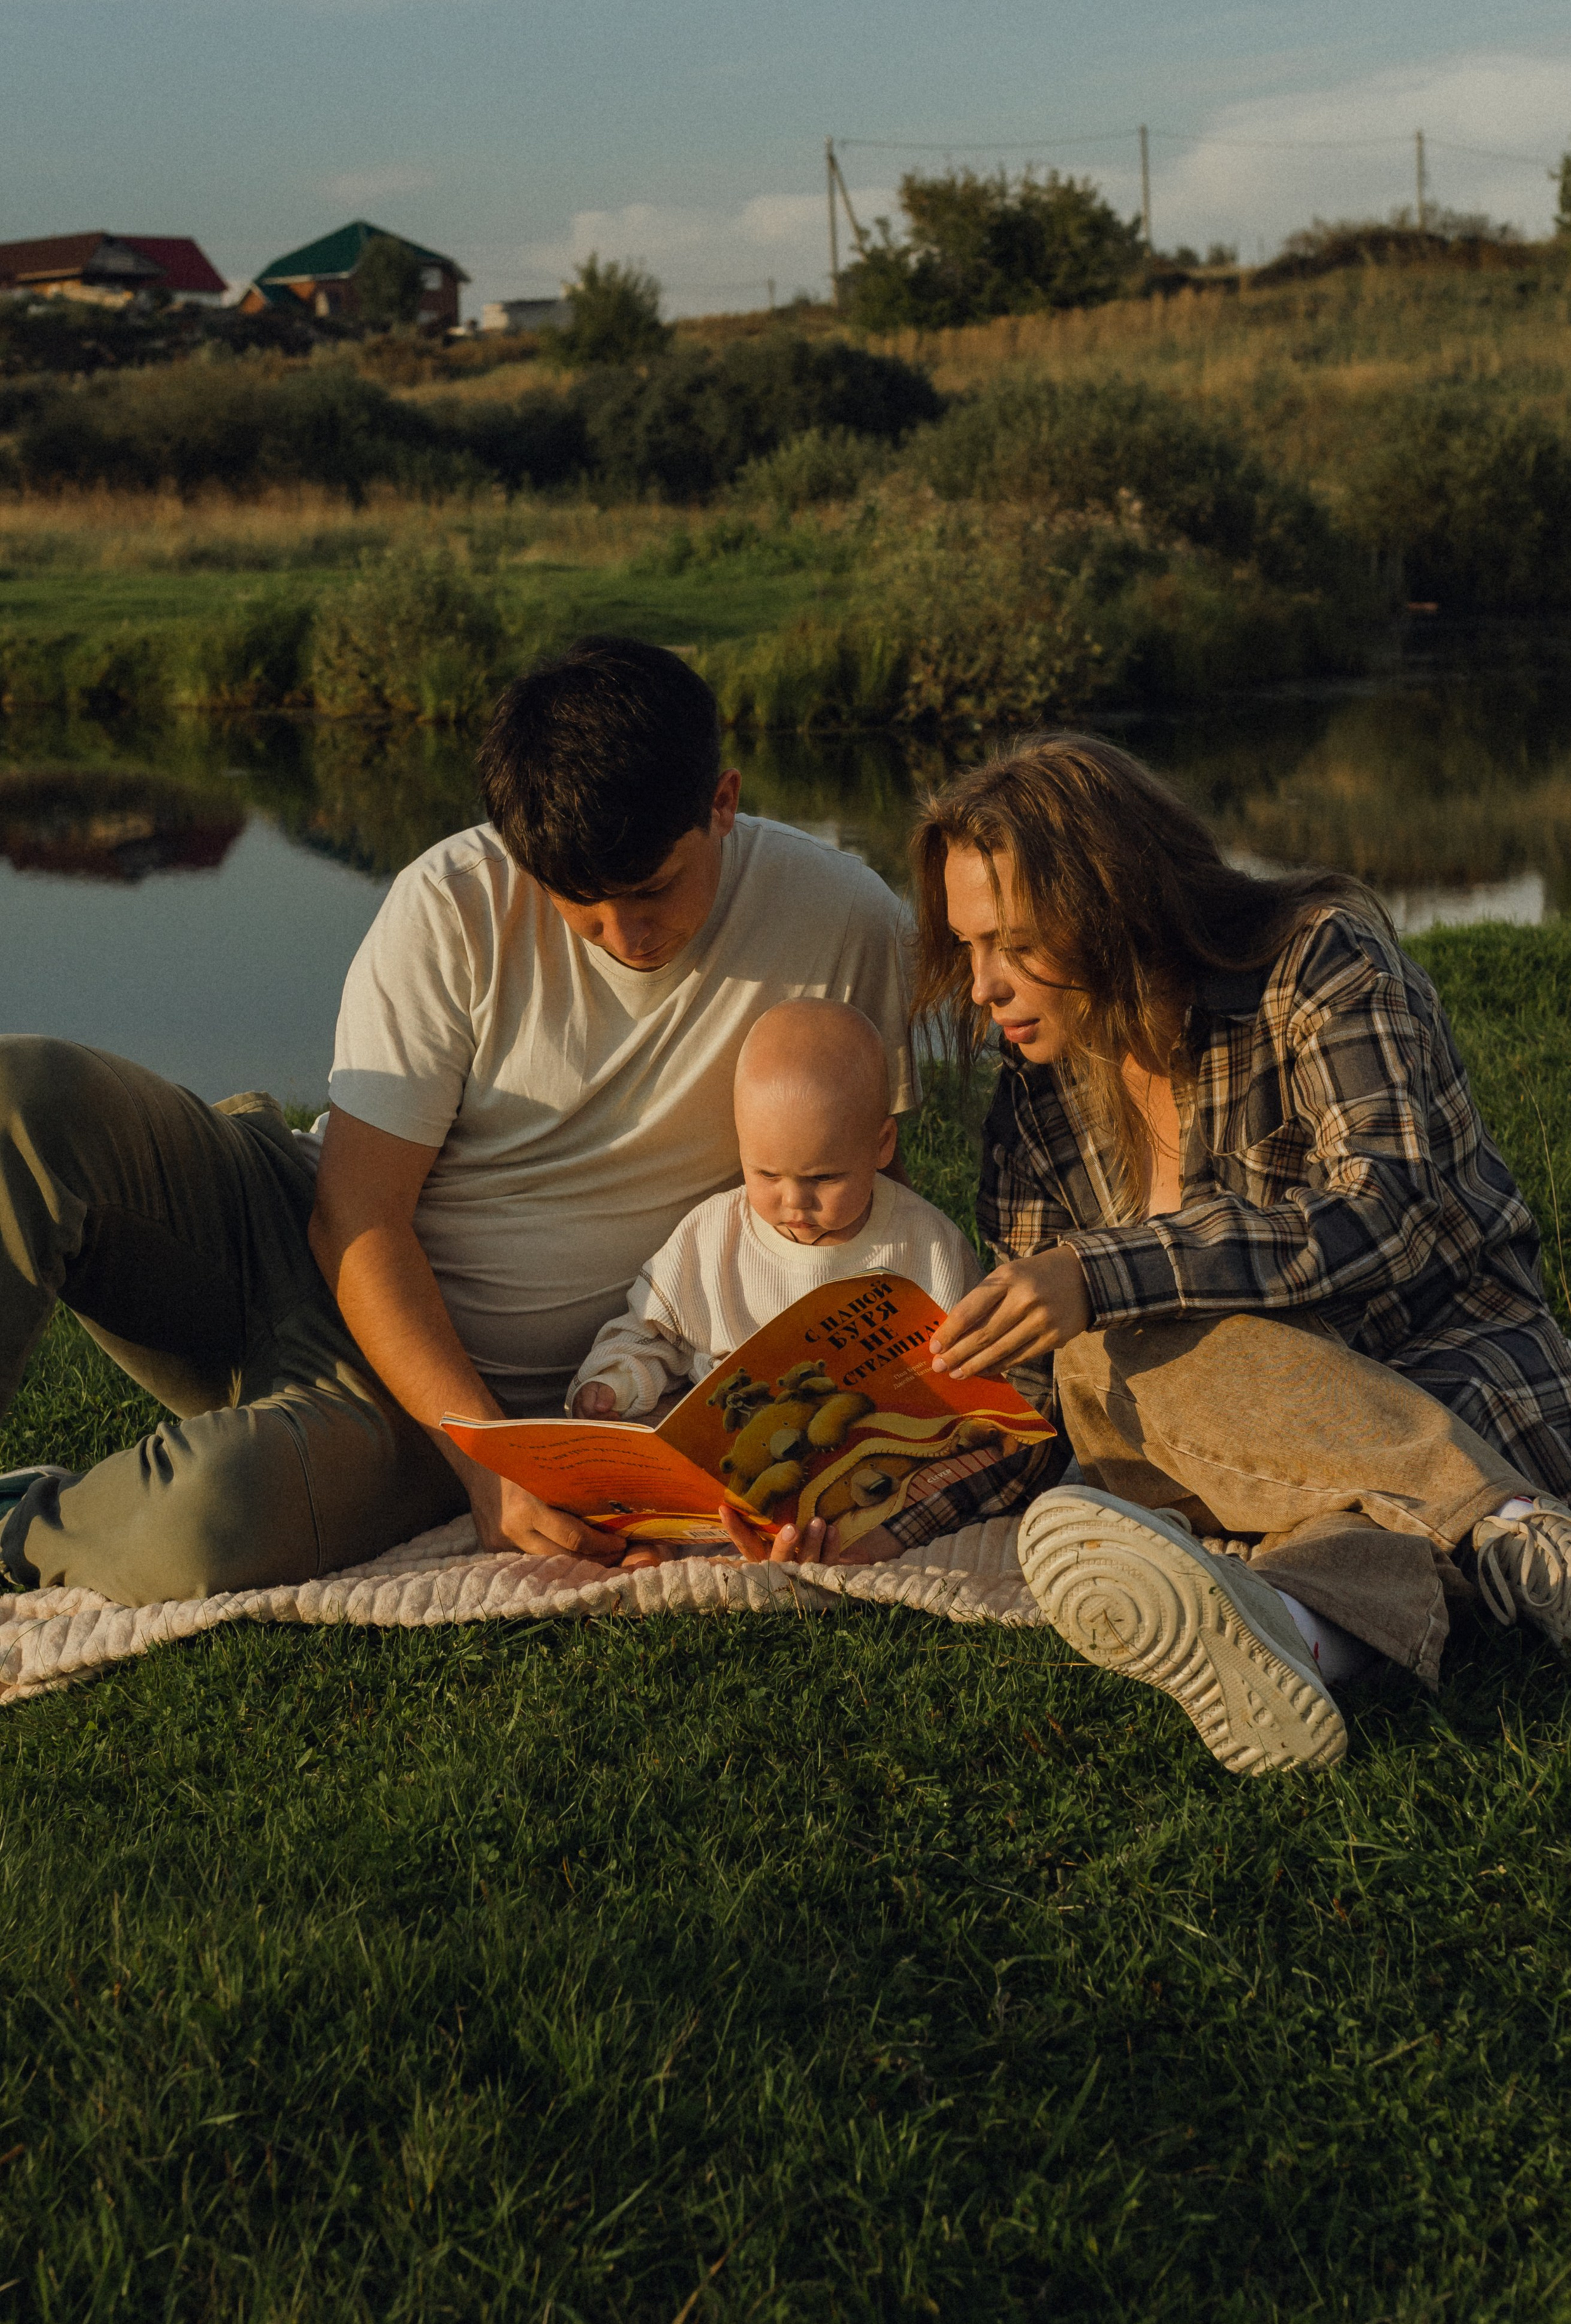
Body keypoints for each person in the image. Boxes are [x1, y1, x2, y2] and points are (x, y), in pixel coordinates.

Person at [0, 638, 916, 1606]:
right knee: (27, 1094)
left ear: (722, 803)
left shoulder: (844, 922)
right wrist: (482, 1468)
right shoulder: (451, 903)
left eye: (651, 890)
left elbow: (872, 1222)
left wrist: (494, 1456)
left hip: (436, 1405)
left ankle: (23, 1525)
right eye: (581, 904)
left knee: (211, 1520)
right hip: (300, 1229)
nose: (625, 935)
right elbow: (356, 1214)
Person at [897, 733, 1571, 1777]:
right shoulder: (1038, 1093)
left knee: (1115, 1342)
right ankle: (1488, 1551)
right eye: (969, 947)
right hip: (1220, 1441)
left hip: (1431, 1361)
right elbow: (1030, 1392)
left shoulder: (1316, 961)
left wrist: (1102, 1273)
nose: (983, 986)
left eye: (1012, 942)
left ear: (1109, 898)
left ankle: (1313, 1616)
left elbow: (1382, 1207)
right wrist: (888, 1512)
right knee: (1098, 1364)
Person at [568, 999, 980, 1422]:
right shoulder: (712, 1237)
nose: (794, 1200)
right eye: (766, 1173)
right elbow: (649, 1332)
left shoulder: (927, 1244)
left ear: (882, 1145)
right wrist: (617, 1383)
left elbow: (978, 1361)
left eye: (824, 1178)